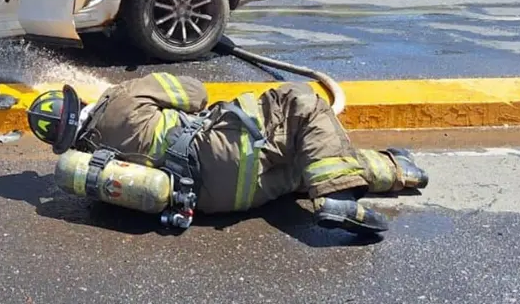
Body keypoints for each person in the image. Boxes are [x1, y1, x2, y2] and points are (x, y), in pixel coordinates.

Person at [26, 73, 429, 235]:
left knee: (303, 164)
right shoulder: (123, 97)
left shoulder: (90, 168)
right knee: (300, 103)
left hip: (217, 199)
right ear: (77, 104)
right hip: (227, 150)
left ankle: (398, 169)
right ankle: (339, 198)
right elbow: (195, 94)